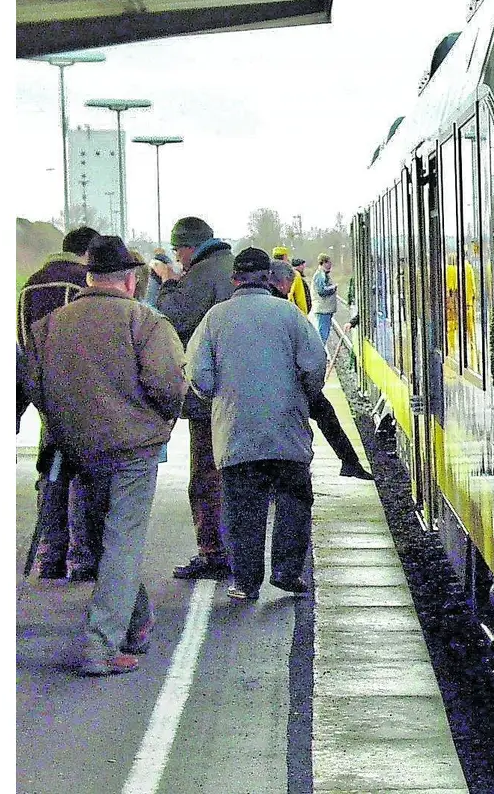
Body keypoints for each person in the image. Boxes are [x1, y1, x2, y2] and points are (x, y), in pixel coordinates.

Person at [22, 235, 186, 675]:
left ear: (88, 277)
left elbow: (36, 389)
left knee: (102, 541)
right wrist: (154, 420)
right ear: (131, 281)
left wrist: (68, 425)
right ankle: (100, 645)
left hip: (79, 449)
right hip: (134, 450)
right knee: (122, 544)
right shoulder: (145, 323)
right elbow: (170, 386)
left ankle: (136, 623)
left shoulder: (49, 327)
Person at [187, 248, 326, 600]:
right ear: (267, 278)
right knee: (294, 500)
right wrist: (302, 395)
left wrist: (219, 401)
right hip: (287, 433)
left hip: (236, 434)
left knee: (242, 507)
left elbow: (198, 374)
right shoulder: (290, 315)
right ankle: (287, 572)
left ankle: (245, 582)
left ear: (234, 279)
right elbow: (315, 364)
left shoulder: (214, 319)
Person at [153, 216, 236, 581]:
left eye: (177, 251)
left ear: (187, 247)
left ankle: (213, 552)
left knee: (205, 475)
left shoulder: (200, 275)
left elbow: (170, 317)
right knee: (239, 473)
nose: (178, 258)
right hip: (243, 395)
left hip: (209, 397)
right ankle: (240, 552)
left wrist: (168, 283)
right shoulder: (229, 267)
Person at [18, 225, 99, 580]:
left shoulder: (30, 285)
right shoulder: (83, 283)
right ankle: (82, 557)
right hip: (79, 388)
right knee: (82, 473)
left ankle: (50, 554)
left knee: (51, 469)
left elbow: (21, 343)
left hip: (41, 388)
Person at [270, 261, 373, 480]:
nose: (290, 289)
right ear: (281, 282)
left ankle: (350, 463)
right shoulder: (284, 309)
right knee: (324, 414)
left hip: (275, 381)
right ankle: (350, 463)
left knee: (324, 413)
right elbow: (314, 354)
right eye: (290, 283)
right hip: (289, 381)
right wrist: (311, 385)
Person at [272, 246, 310, 313]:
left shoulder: (268, 273)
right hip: (290, 312)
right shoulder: (294, 274)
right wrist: (304, 316)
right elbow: (300, 299)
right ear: (285, 257)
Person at [312, 253, 340, 343]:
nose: (330, 265)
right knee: (322, 334)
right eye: (329, 263)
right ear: (323, 263)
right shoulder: (320, 275)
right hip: (323, 309)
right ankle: (320, 355)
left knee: (324, 332)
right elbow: (322, 290)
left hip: (325, 308)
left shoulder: (323, 274)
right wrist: (333, 288)